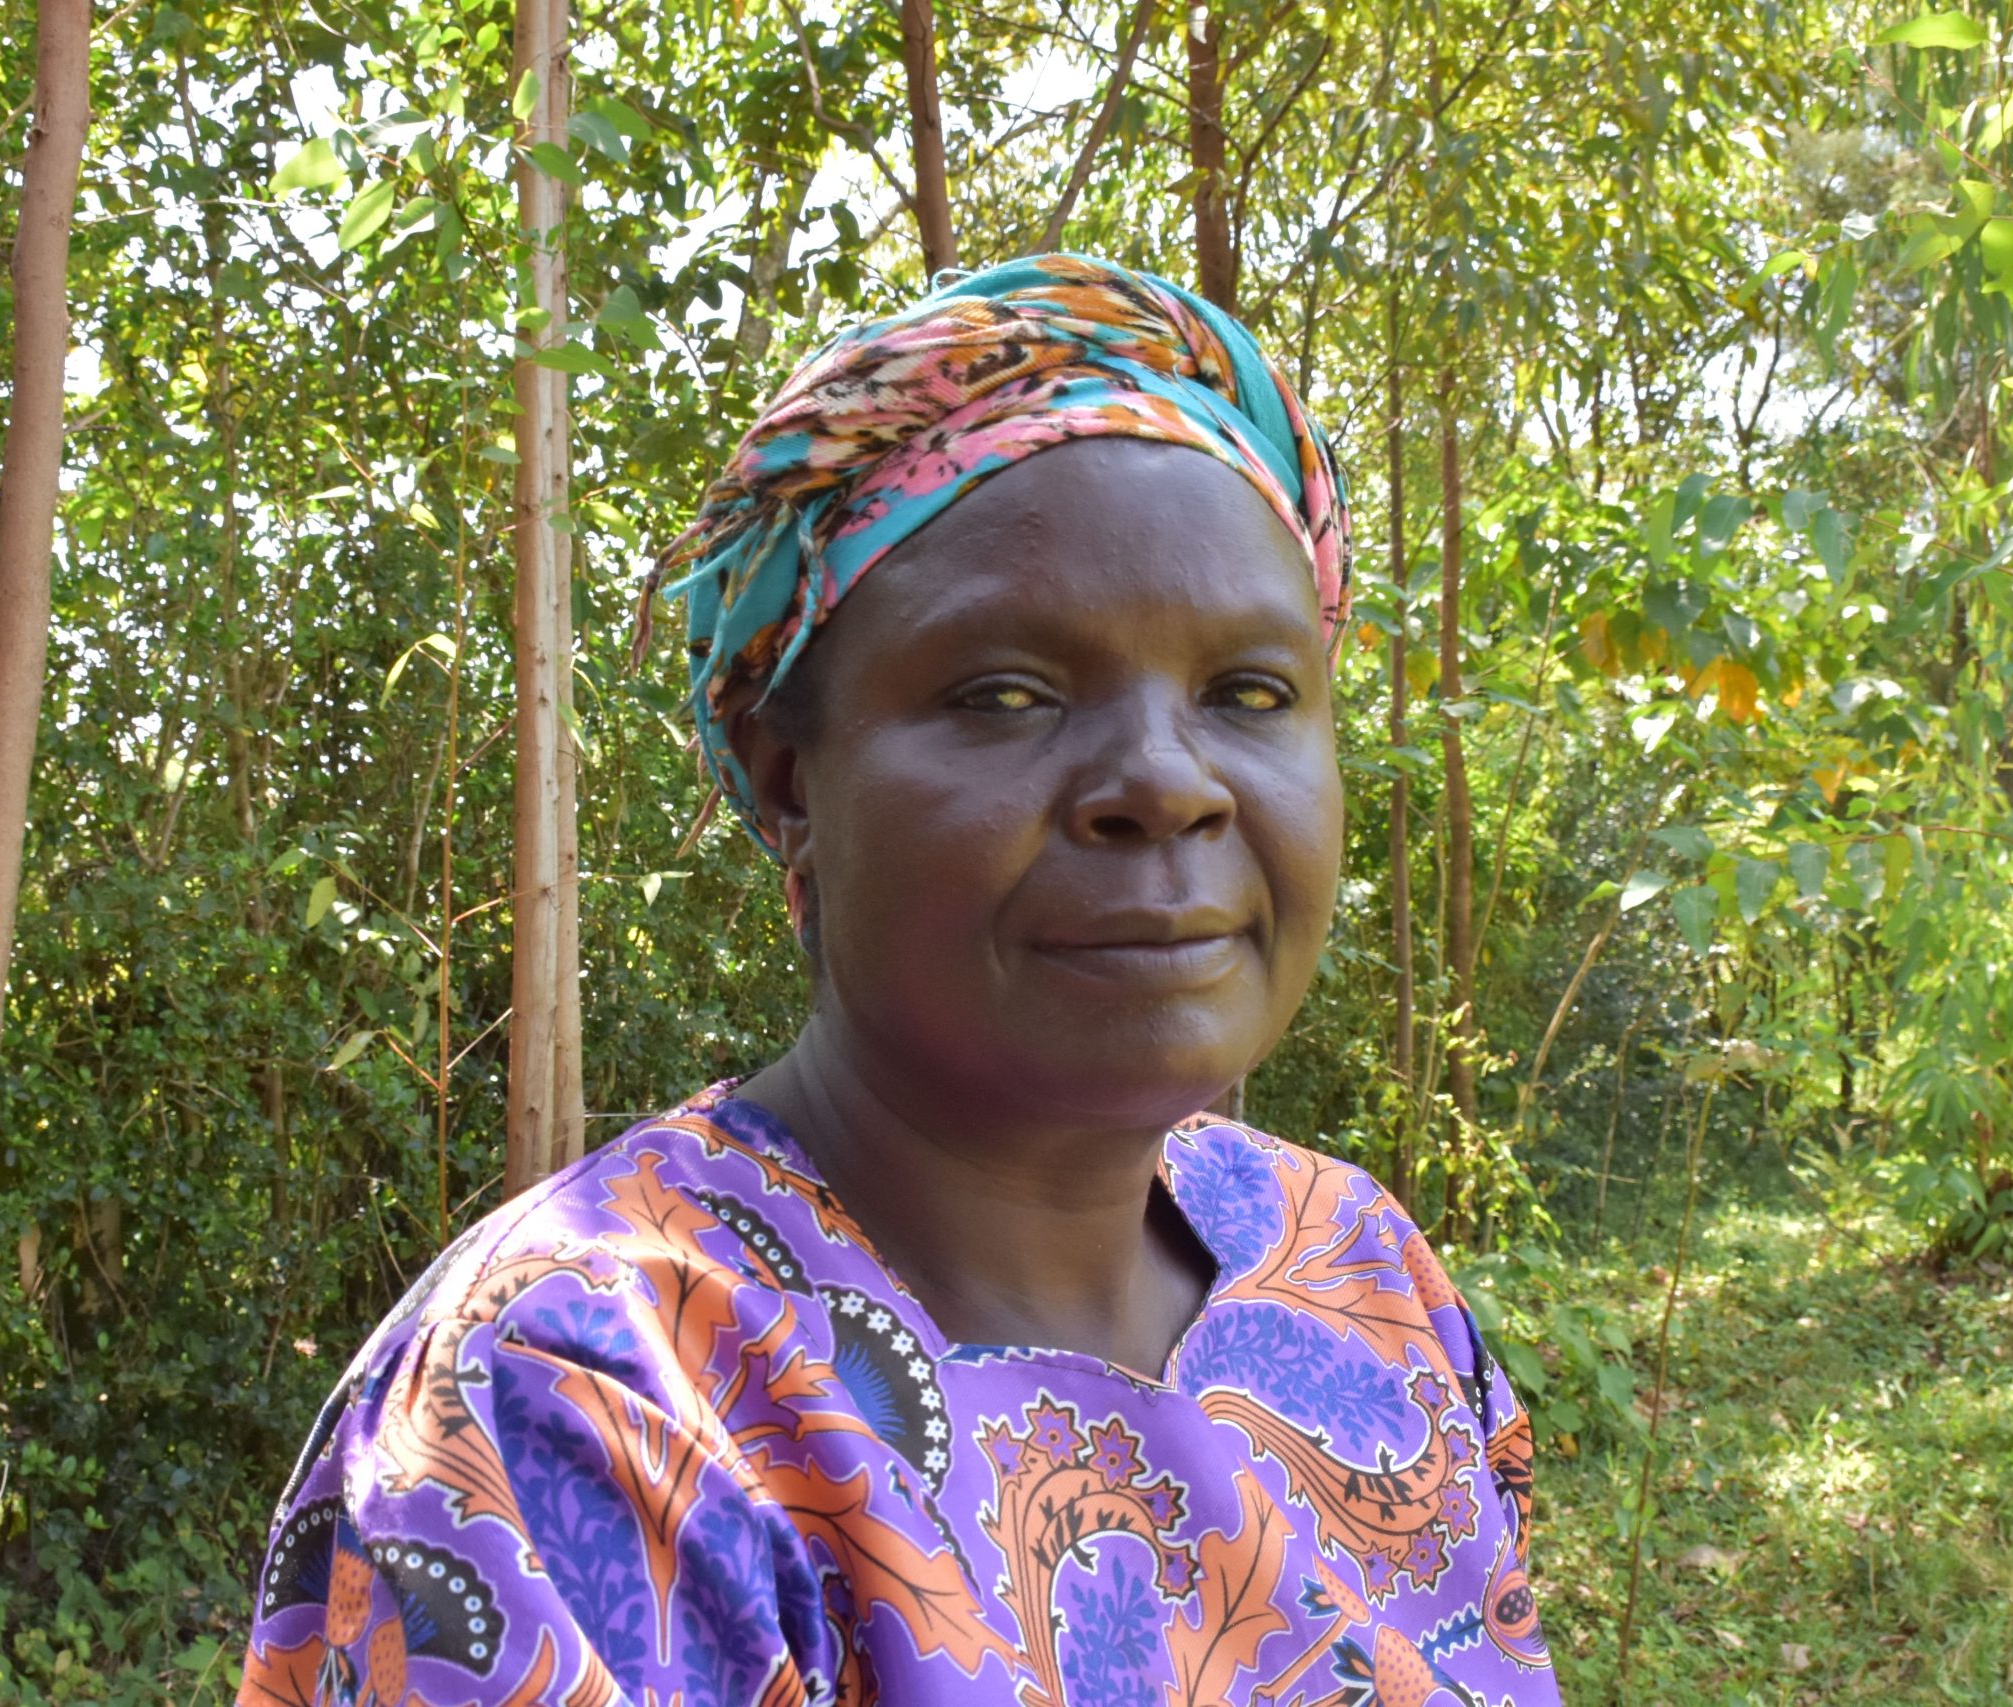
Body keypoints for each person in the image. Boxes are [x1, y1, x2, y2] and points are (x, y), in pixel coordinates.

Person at [237, 255, 1556, 1707]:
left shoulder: (1355, 1268)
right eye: (1005, 694)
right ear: (790, 783)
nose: (1168, 786)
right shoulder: (587, 1399)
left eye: (1249, 693)